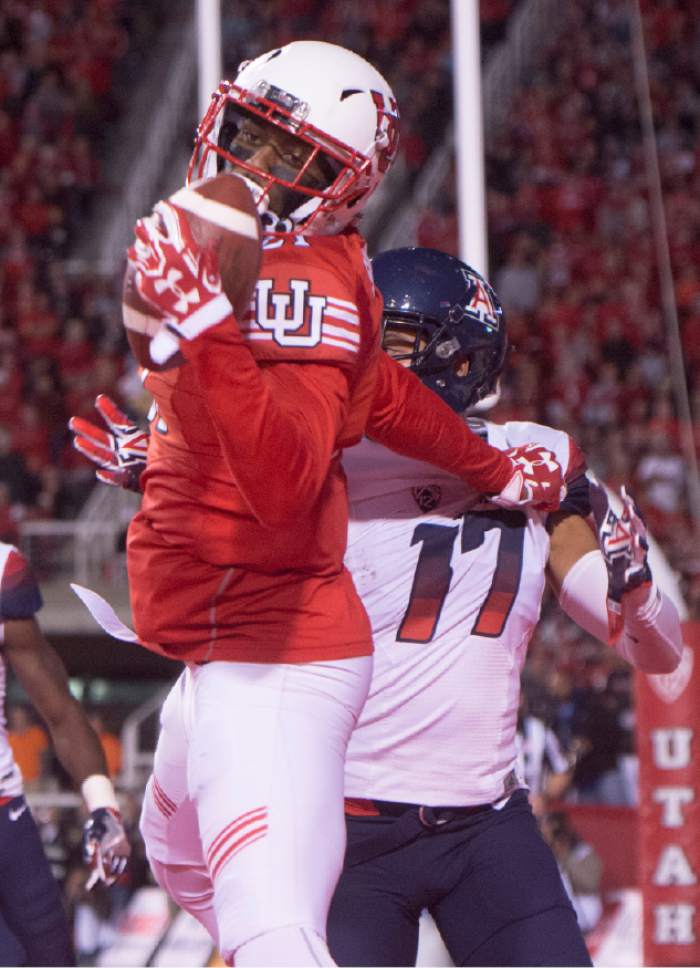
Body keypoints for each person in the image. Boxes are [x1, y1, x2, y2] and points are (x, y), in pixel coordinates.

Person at [74, 41, 564, 967]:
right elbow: (377, 393)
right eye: (248, 131)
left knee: (273, 931)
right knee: (179, 859)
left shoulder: (306, 284)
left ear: (342, 184)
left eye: (287, 154)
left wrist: (209, 336)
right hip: (215, 642)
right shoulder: (278, 257)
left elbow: (287, 482)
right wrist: (492, 471)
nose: (248, 166)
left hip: (279, 653)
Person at [71, 246, 683, 966]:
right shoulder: (364, 453)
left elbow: (655, 649)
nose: (362, 363)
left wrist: (638, 595)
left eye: (388, 344)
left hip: (483, 823)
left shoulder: (519, 456)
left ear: (459, 358)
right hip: (343, 819)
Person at [0, 541, 130, 966]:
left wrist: (103, 807)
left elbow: (60, 708)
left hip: (6, 816)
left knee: (51, 958)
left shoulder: (2, 571)